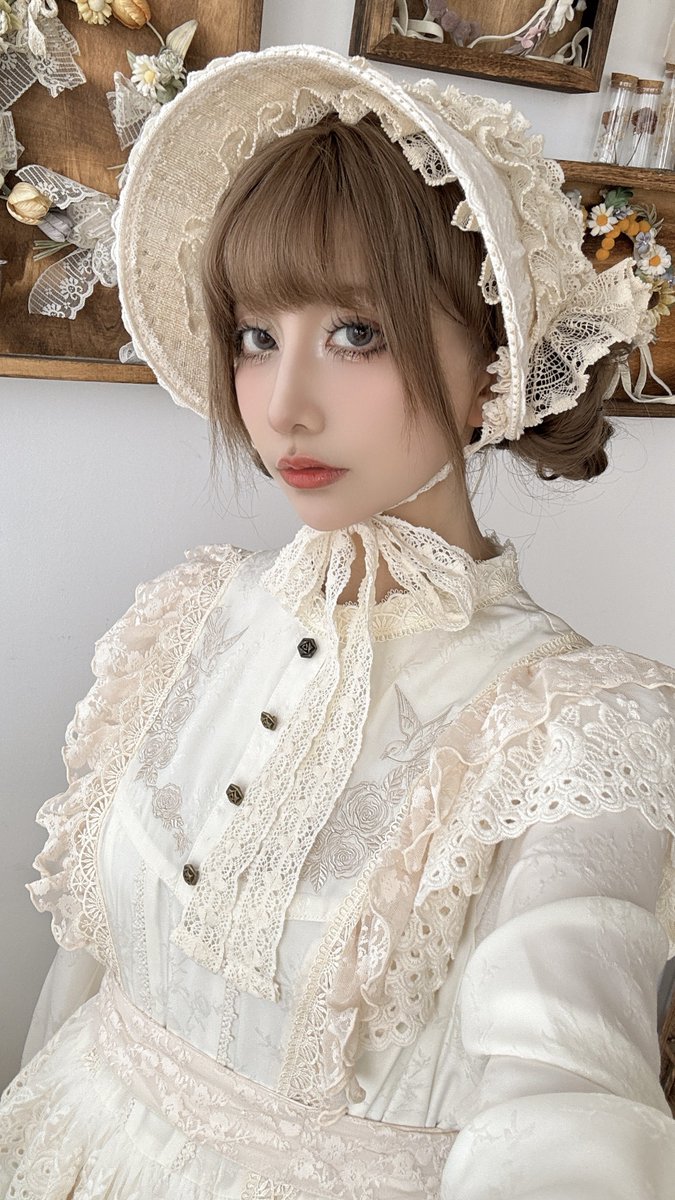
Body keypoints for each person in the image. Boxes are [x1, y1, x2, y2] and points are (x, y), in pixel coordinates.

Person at [1, 42, 675, 1200]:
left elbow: (568, 1123)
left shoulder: (577, 732)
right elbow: (88, 978)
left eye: (357, 332)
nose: (283, 405)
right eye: (256, 335)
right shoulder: (190, 617)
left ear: (493, 360)